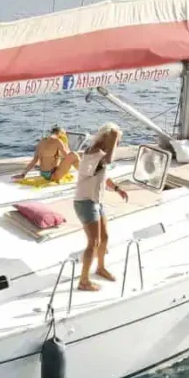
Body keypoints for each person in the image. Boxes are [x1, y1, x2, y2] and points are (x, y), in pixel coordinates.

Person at [73, 123, 129, 292]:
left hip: (97, 202)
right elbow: (107, 161)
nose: (117, 144)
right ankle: (83, 281)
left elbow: (104, 175)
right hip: (85, 202)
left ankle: (100, 267)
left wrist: (118, 189)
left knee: (104, 238)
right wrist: (112, 137)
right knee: (94, 242)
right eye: (117, 141)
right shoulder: (92, 152)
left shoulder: (100, 154)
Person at [14, 125, 80, 182]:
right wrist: (65, 144)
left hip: (43, 173)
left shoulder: (41, 141)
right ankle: (86, 175)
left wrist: (23, 174)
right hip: (52, 175)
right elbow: (68, 156)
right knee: (74, 155)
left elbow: (34, 161)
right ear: (60, 134)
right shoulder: (58, 141)